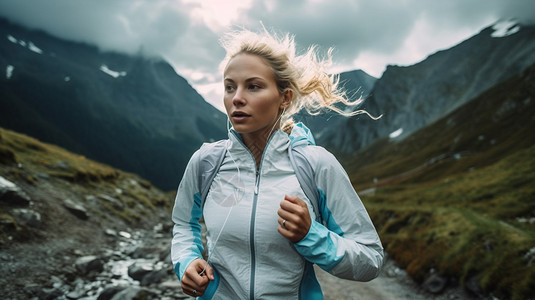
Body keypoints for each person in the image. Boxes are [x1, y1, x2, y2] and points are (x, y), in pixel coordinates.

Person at [171, 28, 384, 299]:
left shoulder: (316, 166)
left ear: (285, 98)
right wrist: (187, 261)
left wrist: (311, 235)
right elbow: (182, 224)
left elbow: (371, 259)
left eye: (253, 86)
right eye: (229, 87)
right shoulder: (206, 162)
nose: (236, 97)